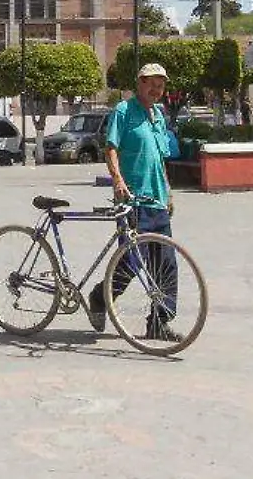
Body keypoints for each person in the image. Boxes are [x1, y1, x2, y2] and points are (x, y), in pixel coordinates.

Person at [87, 62, 181, 342]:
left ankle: (159, 322)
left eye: (161, 84)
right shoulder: (123, 111)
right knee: (129, 263)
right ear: (139, 82)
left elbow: (160, 157)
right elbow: (111, 148)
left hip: (157, 201)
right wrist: (117, 180)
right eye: (151, 83)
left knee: (166, 264)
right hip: (132, 200)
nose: (156, 89)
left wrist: (168, 191)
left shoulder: (159, 116)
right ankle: (100, 297)